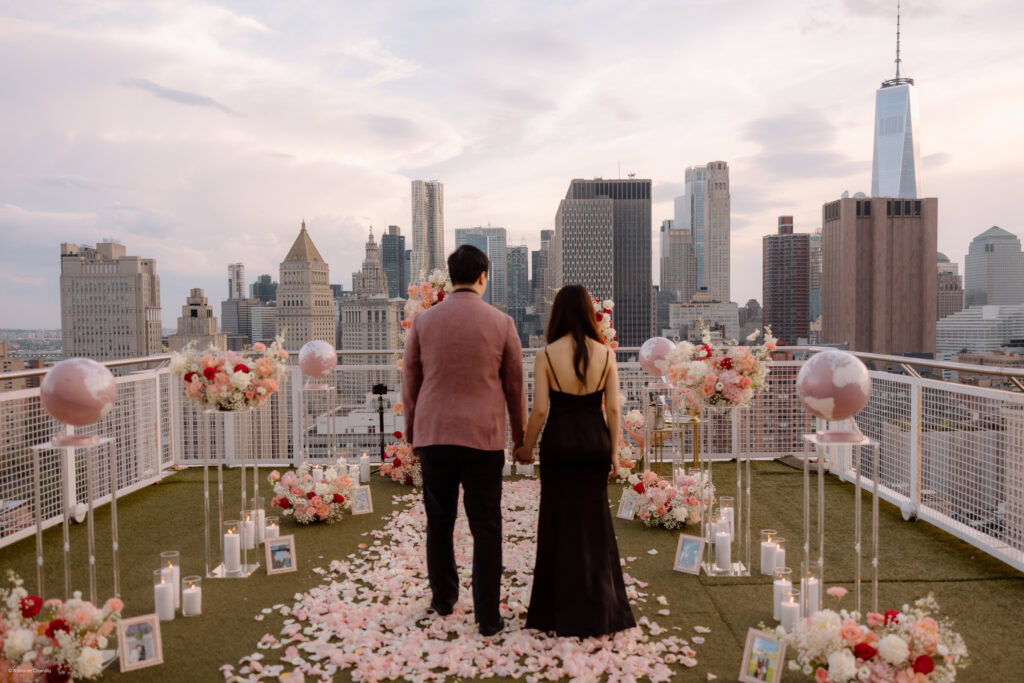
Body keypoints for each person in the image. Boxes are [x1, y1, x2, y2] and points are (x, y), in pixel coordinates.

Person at [402, 244, 527, 637]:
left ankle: (444, 598)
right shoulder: (502, 323)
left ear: (451, 276)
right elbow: (515, 387)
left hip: (435, 434)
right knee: (486, 525)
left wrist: (413, 433)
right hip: (483, 438)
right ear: (483, 276)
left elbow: (411, 383)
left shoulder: (423, 322)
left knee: (439, 521)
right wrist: (521, 439)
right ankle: (488, 616)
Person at [516, 284, 636, 637]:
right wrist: (614, 452)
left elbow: (540, 411)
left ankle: (555, 612)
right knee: (596, 524)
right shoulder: (606, 355)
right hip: (595, 443)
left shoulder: (546, 355)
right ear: (588, 314)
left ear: (557, 314)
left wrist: (526, 448)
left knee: (557, 522)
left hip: (560, 444)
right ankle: (601, 610)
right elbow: (613, 409)